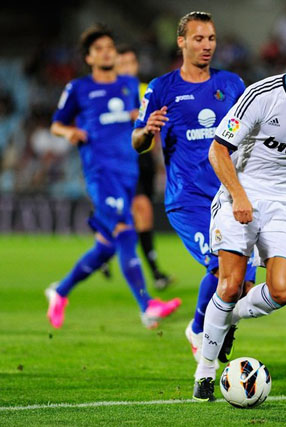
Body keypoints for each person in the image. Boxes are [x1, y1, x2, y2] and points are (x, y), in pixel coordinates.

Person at [192, 33, 286, 401]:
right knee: (228, 286)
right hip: (240, 195)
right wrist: (240, 197)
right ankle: (205, 373)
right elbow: (218, 150)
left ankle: (228, 319)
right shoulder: (261, 97)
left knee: (283, 290)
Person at [132, 12, 256, 365]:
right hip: (187, 198)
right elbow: (136, 141)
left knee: (242, 286)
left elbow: (251, 131)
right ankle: (201, 332)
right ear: (181, 42)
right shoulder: (161, 88)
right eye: (199, 39)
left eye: (212, 39)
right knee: (220, 266)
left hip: (229, 195)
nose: (207, 46)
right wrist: (146, 133)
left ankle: (210, 329)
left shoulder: (232, 84)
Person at [45, 24, 180, 330]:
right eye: (100, 49)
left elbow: (138, 122)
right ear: (89, 58)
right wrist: (70, 132)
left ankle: (60, 290)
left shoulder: (129, 85)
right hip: (100, 171)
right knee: (125, 231)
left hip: (128, 170)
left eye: (110, 47)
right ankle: (147, 306)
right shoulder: (78, 88)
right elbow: (56, 124)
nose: (107, 52)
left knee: (107, 245)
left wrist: (141, 121)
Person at [113, 44, 172, 289]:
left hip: (145, 159)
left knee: (136, 215)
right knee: (143, 209)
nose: (128, 68)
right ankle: (156, 273)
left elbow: (157, 127)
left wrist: (160, 160)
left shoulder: (146, 90)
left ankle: (104, 246)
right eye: (122, 64)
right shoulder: (110, 95)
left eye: (131, 63)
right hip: (122, 159)